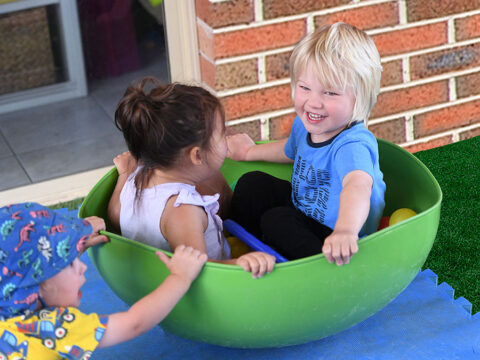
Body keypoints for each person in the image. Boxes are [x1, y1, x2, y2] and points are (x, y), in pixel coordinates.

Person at [227, 22, 386, 266]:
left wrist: (345, 231)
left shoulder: (352, 144)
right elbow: (290, 151)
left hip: (336, 239)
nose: (314, 102)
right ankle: (243, 245)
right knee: (252, 183)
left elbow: (358, 185)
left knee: (276, 220)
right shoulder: (305, 125)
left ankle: (313, 270)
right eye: (305, 88)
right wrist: (248, 152)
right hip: (303, 209)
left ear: (359, 98)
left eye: (330, 93)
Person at [108, 78, 275, 278]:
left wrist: (124, 174)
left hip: (151, 273)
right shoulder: (182, 210)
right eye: (222, 134)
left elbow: (115, 213)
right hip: (211, 288)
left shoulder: (138, 177)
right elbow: (198, 269)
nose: (228, 137)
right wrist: (239, 264)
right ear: (196, 155)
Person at [0, 202, 207, 358]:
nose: (82, 267)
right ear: (40, 286)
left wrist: (75, 246)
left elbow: (27, 269)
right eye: (70, 263)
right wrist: (180, 277)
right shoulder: (52, 327)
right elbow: (134, 323)